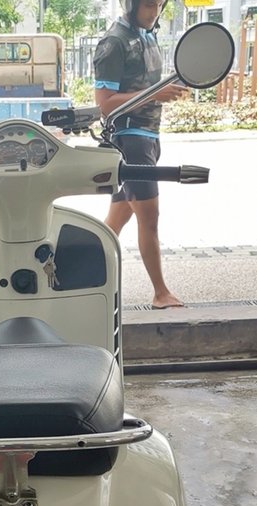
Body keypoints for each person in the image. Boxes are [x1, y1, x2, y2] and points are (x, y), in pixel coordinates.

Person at [94, 0, 189, 309]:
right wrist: (154, 93)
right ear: (131, 4)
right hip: (130, 140)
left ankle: (73, 274)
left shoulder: (146, 34)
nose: (155, 12)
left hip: (148, 137)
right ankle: (161, 293)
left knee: (115, 221)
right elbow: (105, 103)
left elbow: (144, 84)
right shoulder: (115, 41)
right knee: (149, 218)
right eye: (149, 5)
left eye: (159, 5)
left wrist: (166, 87)